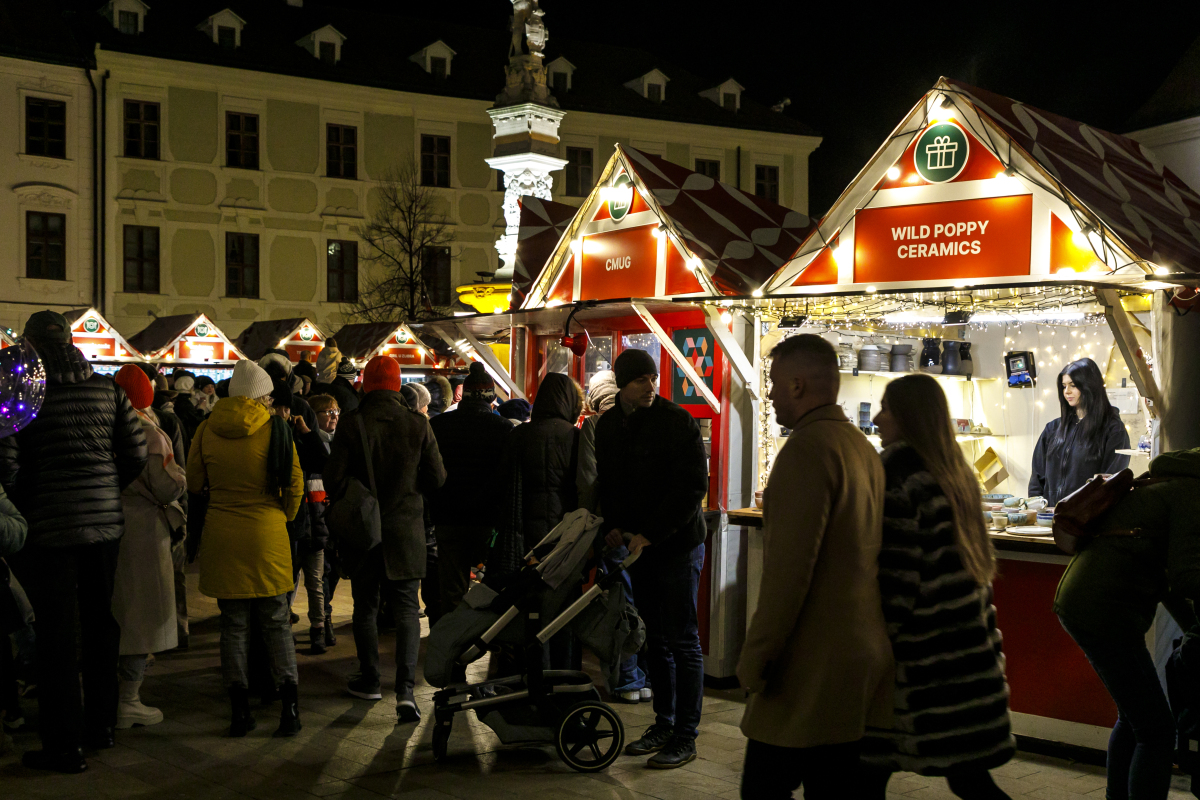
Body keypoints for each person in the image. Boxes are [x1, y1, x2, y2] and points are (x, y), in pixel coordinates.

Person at [736, 334, 892, 798]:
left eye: (774, 383)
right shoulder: (860, 447)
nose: (770, 394)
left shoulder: (805, 451)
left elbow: (788, 574)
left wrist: (756, 656)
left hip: (807, 668)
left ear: (798, 386)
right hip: (859, 659)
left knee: (763, 790)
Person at [0, 311, 148, 773]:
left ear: (30, 346)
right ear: (70, 341)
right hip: (104, 525)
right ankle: (101, 725)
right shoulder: (108, 389)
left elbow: (6, 467)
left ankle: (64, 744)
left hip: (49, 530)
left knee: (57, 635)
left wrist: (32, 500)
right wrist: (104, 490)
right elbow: (135, 454)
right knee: (101, 622)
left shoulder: (25, 395)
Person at [861, 374, 1015, 799]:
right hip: (965, 657)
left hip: (918, 666)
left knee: (866, 774)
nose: (876, 419)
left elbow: (897, 581)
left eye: (887, 408)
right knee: (971, 778)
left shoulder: (896, 477)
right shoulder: (954, 473)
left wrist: (870, 651)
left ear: (909, 416)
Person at [1056, 447, 1200, 800]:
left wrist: (1193, 624)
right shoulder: (1192, 494)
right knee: (1157, 731)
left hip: (1084, 601)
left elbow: (1167, 577)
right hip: (1105, 609)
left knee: (1135, 717)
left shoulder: (1165, 482)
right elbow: (1187, 576)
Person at [596, 348, 707, 769]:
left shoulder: (676, 422)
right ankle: (664, 722)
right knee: (654, 641)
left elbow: (691, 487)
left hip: (676, 546)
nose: (650, 386)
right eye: (640, 379)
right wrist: (614, 524)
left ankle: (685, 734)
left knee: (682, 640)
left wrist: (649, 533)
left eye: (652, 378)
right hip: (637, 547)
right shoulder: (608, 426)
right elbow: (611, 482)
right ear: (622, 384)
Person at [186, 359, 304, 739]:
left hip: (223, 532)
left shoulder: (206, 428)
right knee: (276, 622)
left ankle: (239, 711)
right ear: (263, 396)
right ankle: (289, 708)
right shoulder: (277, 430)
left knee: (233, 625)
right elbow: (295, 484)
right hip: (267, 533)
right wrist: (281, 517)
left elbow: (193, 481)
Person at [325, 356, 445, 723]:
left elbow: (334, 479)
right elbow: (438, 478)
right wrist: (411, 494)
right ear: (396, 385)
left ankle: (370, 678)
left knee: (365, 605)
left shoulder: (351, 424)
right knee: (408, 609)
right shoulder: (418, 425)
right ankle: (406, 690)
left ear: (365, 384)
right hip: (406, 531)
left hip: (365, 531)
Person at [110, 366, 188, 731]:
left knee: (116, 613)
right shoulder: (149, 434)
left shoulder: (105, 425)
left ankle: (110, 695)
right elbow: (167, 486)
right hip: (143, 530)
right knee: (141, 617)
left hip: (108, 525)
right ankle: (129, 699)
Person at [579, 369, 649, 704]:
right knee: (646, 606)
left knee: (620, 608)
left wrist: (595, 528)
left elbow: (589, 482)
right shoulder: (650, 424)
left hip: (612, 534)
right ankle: (647, 677)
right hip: (645, 534)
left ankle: (626, 681)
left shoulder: (594, 427)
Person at [428, 362, 512, 613]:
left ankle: (452, 643)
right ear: (490, 398)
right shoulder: (504, 429)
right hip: (488, 519)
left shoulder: (440, 425)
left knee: (452, 588)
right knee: (492, 585)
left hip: (448, 517)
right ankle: (480, 637)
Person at [1030, 357, 1130, 506]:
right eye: (1064, 386)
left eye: (1073, 385)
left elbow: (1111, 483)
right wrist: (1037, 508)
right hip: (1050, 518)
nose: (1067, 391)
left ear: (1090, 386)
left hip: (1087, 520)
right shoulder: (1052, 429)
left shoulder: (1114, 430)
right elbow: (1037, 479)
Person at [308, 394, 340, 648]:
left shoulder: (340, 442)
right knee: (320, 572)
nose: (334, 416)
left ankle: (324, 617)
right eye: (327, 412)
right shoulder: (310, 442)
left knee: (331, 570)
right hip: (314, 515)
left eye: (336, 411)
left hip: (333, 515)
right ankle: (322, 621)